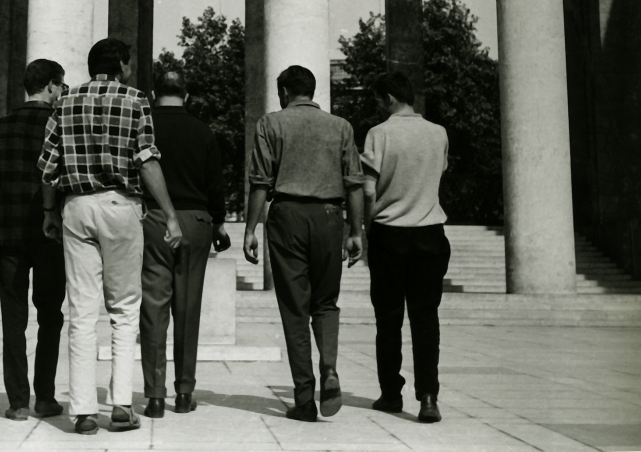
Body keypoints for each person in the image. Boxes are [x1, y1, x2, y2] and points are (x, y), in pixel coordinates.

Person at [38, 38, 183, 436]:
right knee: (124, 308)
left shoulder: (65, 102)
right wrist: (170, 214)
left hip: (77, 205)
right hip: (121, 205)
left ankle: (84, 411)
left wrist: (50, 212)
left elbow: (48, 167)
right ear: (121, 64)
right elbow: (146, 160)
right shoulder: (136, 100)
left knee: (82, 312)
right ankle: (120, 404)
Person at [243, 64, 364, 422]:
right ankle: (329, 368)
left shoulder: (271, 124)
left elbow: (260, 182)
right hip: (329, 216)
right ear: (312, 91)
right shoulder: (341, 126)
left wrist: (250, 229)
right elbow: (354, 184)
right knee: (325, 303)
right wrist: (355, 231)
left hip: (288, 216)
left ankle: (304, 398)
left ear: (283, 92)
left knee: (295, 308)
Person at [0, 59, 68, 421]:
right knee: (50, 316)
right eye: (61, 86)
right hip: (49, 235)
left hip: (8, 236)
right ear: (51, 86)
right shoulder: (60, 128)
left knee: (13, 319)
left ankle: (17, 401)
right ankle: (45, 396)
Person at [140, 68, 231, 418]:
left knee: (154, 309)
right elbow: (215, 184)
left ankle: (154, 396)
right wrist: (218, 223)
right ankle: (183, 392)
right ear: (187, 95)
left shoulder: (145, 126)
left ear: (153, 94)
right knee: (188, 309)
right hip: (196, 221)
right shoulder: (203, 130)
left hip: (153, 219)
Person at [362, 70, 450, 423]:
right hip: (429, 232)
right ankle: (428, 396)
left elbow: (368, 190)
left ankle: (391, 394)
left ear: (389, 98)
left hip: (389, 233)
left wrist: (365, 228)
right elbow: (438, 175)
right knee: (426, 319)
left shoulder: (379, 133)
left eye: (378, 100)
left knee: (388, 319)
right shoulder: (438, 133)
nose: (378, 106)